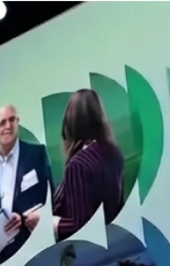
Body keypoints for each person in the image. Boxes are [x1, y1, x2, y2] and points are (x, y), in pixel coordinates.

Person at [0, 104, 54, 266]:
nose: (8, 126)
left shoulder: (37, 154)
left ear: (18, 122)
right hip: (3, 262)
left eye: (12, 120)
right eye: (2, 122)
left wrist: (41, 216)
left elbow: (55, 199)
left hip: (38, 249)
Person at [52, 89, 125, 241]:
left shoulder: (77, 166)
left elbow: (81, 225)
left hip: (87, 249)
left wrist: (52, 224)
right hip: (114, 241)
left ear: (70, 123)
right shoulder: (114, 153)